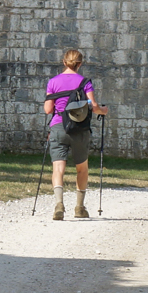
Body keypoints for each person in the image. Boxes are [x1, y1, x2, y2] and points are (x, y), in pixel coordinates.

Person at [43, 48, 108, 220]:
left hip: (58, 127)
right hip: (79, 130)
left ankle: (59, 204)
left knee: (58, 168)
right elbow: (93, 106)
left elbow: (48, 109)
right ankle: (79, 207)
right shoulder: (85, 82)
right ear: (80, 64)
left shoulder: (53, 82)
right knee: (82, 168)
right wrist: (103, 111)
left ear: (64, 62)